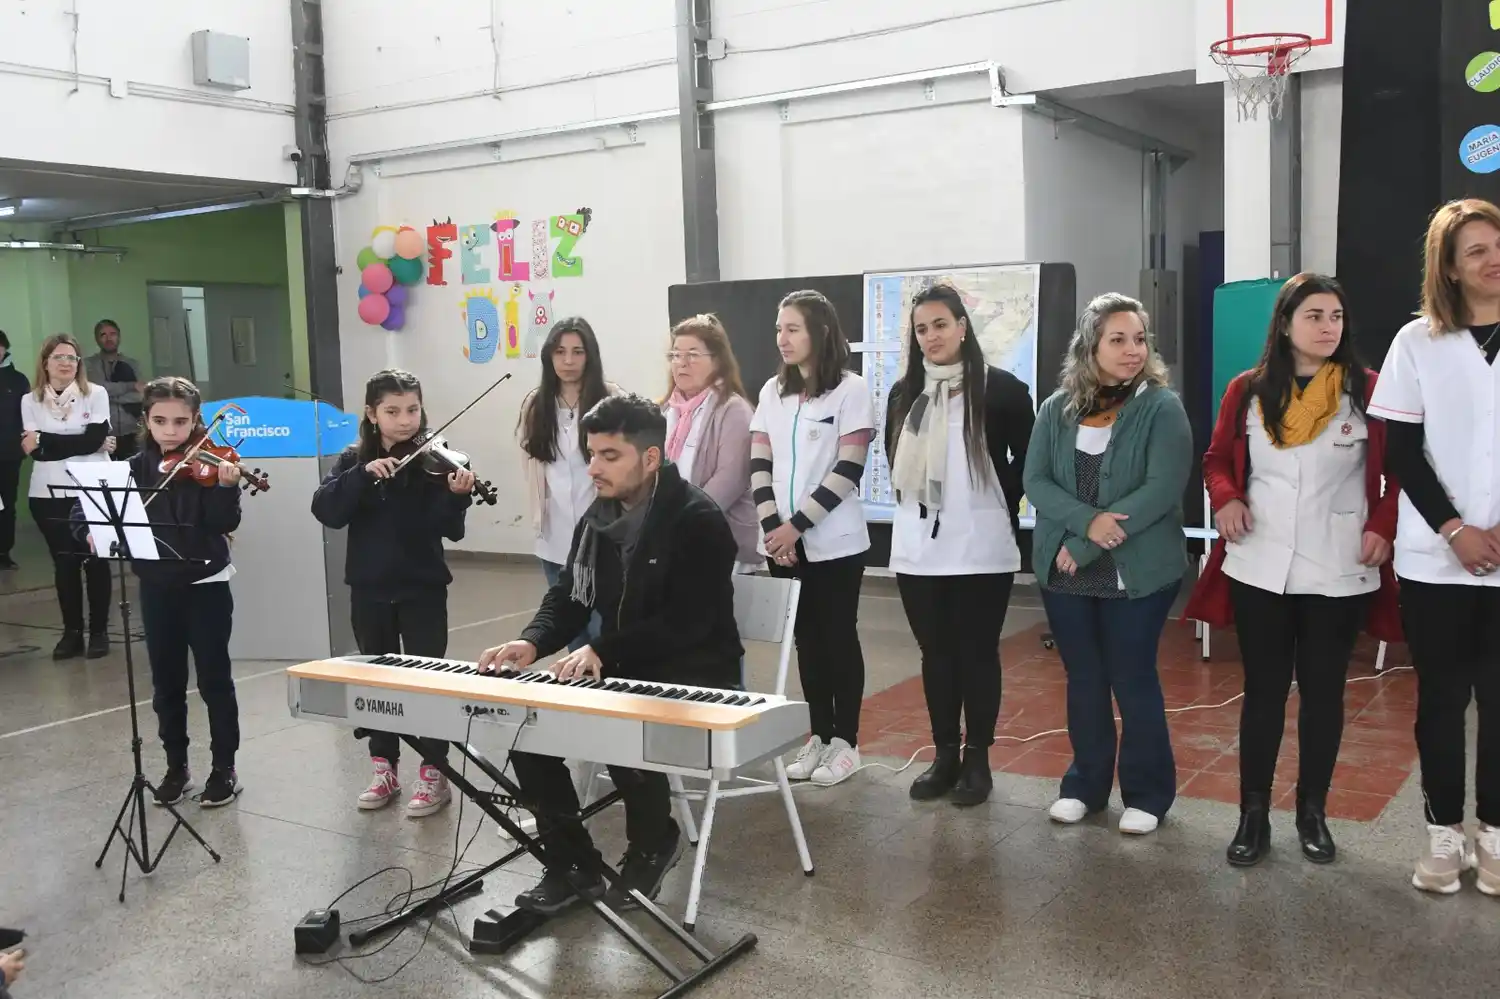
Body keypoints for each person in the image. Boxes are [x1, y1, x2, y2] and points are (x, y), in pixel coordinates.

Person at [477, 393, 741, 915]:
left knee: (615, 717)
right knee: (527, 726)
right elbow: (571, 596)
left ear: (650, 458)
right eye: (591, 453)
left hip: (697, 671)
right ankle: (571, 862)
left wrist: (603, 649)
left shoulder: (697, 518)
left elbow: (690, 622)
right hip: (627, 664)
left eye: (609, 455)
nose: (593, 466)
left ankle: (653, 841)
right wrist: (532, 641)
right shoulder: (597, 518)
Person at [1184, 273, 1401, 867]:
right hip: (1262, 563)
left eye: (1335, 316)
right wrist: (1226, 496)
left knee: (1325, 695)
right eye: (1314, 316)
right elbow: (1215, 458)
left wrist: (1383, 524)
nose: (1328, 327)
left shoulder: (1370, 389)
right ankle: (1253, 815)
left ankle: (1313, 812)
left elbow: (1398, 471)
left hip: (1340, 565)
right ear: (1285, 324)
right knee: (1263, 693)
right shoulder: (1248, 390)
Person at [1023, 293, 1193, 836]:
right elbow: (1036, 481)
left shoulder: (1162, 407)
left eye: (1139, 339)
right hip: (1066, 568)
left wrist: (1094, 540)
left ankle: (1147, 794)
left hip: (1137, 568)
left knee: (1132, 677)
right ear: (1090, 346)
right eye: (1117, 339)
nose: (1132, 350)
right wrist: (1083, 523)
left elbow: (1162, 488)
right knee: (1085, 679)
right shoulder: (1057, 409)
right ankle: (1085, 786)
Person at [1369, 198, 1500, 895]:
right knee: (1441, 703)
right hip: (1435, 560)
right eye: (1474, 249)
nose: (1491, 258)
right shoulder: (1416, 341)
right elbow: (1400, 452)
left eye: (1498, 243)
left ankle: (1497, 836)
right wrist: (1456, 529)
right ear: (1448, 266)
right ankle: (1445, 835)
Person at [885, 283, 1035, 806]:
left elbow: (1028, 463)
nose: (931, 337)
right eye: (922, 329)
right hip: (919, 548)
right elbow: (893, 459)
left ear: (963, 326)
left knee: (976, 654)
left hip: (980, 546)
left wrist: (994, 504)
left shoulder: (1004, 390)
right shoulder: (904, 392)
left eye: (940, 325)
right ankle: (944, 753)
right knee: (936, 654)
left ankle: (978, 759)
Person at [312, 369, 474, 816]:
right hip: (369, 587)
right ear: (371, 414)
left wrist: (457, 496)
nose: (405, 421)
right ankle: (384, 766)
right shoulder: (352, 461)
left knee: (428, 681)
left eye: (412, 410)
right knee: (377, 684)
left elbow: (450, 530)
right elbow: (327, 510)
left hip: (423, 586)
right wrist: (362, 476)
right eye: (393, 411)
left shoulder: (434, 459)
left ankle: (433, 771)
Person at [83, 377, 246, 807]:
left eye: (180, 421)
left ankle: (224, 768)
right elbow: (94, 513)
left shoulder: (210, 465)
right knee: (166, 683)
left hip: (205, 584)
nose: (171, 431)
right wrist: (91, 533)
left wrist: (227, 487)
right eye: (160, 421)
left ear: (196, 421)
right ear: (146, 422)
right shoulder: (132, 468)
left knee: (214, 680)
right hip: (157, 586)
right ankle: (177, 766)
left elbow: (221, 525)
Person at [751, 289, 874, 786]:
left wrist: (795, 526)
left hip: (836, 543)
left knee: (839, 639)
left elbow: (849, 468)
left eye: (793, 328)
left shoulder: (850, 389)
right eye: (779, 329)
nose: (782, 338)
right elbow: (760, 462)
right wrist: (772, 530)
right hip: (782, 545)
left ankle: (847, 742)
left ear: (820, 332)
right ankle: (818, 736)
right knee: (806, 642)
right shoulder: (771, 392)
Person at [518, 317, 614, 650]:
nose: (568, 361)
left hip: (603, 537)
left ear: (590, 356)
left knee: (604, 633)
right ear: (549, 356)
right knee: (571, 635)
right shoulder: (535, 404)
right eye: (560, 352)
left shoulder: (611, 399)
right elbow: (531, 469)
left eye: (577, 352)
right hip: (555, 537)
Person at [20, 333, 113, 660]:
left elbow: (93, 440)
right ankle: (72, 633)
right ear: (45, 362)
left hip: (93, 487)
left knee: (96, 561)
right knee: (65, 562)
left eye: (72, 358)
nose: (65, 363)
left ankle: (99, 632)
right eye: (58, 357)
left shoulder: (96, 394)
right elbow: (38, 454)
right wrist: (84, 441)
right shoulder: (29, 399)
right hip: (47, 492)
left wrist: (49, 440)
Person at [661, 315, 760, 570]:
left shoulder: (733, 409)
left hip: (720, 542)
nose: (681, 363)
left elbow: (730, 480)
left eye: (692, 355)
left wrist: (678, 524)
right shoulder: (664, 409)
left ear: (717, 360)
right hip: (669, 540)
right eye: (675, 355)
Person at [84, 319, 144, 463]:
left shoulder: (132, 364)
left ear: (119, 336)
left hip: (132, 431)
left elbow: (140, 395)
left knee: (133, 477)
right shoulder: (89, 364)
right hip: (103, 433)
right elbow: (96, 389)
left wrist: (107, 395)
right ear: (97, 339)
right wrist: (130, 386)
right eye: (103, 334)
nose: (108, 338)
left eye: (113, 334)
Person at [0, 331, 30, 570]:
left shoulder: (18, 380)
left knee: (7, 504)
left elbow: (27, 416)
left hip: (9, 454)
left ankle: (3, 552)